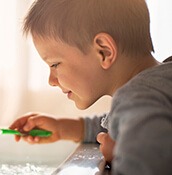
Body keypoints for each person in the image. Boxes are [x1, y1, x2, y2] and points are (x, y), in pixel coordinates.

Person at [9, 0, 172, 174]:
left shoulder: (137, 99)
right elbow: (122, 121)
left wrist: (119, 154)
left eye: (55, 64)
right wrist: (64, 128)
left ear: (104, 52)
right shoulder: (159, 85)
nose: (51, 80)